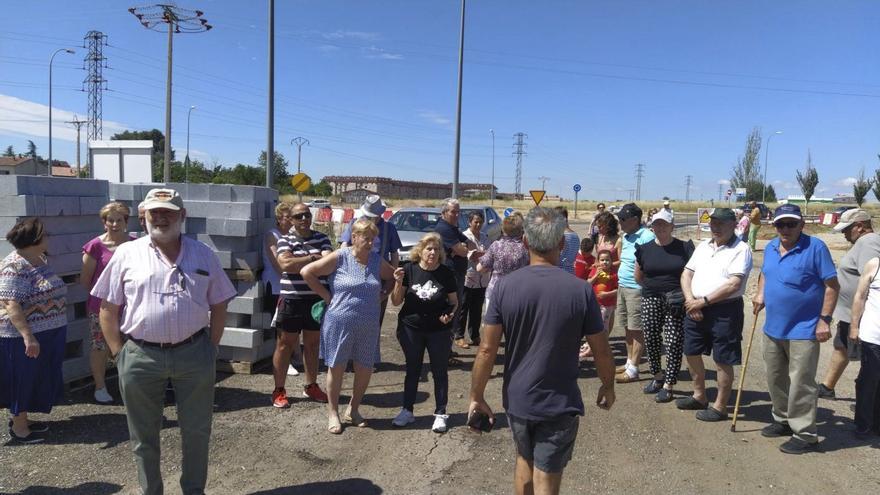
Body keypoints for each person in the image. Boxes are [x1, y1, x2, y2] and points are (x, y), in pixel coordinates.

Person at [91, 188, 236, 494]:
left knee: (197, 432)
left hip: (194, 353)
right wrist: (120, 355)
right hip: (140, 356)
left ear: (182, 216)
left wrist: (211, 347)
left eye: (168, 211)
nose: (160, 217)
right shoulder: (126, 254)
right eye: (154, 212)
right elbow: (107, 309)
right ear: (144, 217)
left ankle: (193, 490)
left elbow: (220, 303)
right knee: (143, 436)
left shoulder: (203, 254)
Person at [469, 207, 615, 495]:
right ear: (561, 245)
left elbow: (487, 349)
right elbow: (601, 350)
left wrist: (476, 396)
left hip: (518, 398)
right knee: (547, 476)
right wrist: (607, 385)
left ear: (525, 242)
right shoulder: (580, 291)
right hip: (558, 400)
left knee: (524, 460)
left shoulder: (504, 288)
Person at [752, 204, 838, 454]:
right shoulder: (769, 247)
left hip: (804, 328)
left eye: (791, 224)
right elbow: (766, 274)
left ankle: (805, 433)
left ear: (802, 224)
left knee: (801, 382)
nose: (786, 229)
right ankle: (782, 420)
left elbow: (832, 286)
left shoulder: (816, 248)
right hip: (773, 327)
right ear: (774, 226)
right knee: (775, 378)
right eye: (781, 224)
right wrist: (759, 294)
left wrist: (825, 319)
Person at [301, 218, 395, 434]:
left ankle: (353, 409)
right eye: (366, 238)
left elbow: (392, 277)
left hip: (368, 323)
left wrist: (384, 294)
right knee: (337, 366)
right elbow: (308, 272)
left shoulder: (375, 260)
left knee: (364, 367)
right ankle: (333, 412)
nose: (370, 243)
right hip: (339, 321)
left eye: (373, 239)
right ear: (354, 237)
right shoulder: (341, 256)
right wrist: (326, 296)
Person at [677, 208, 752, 422]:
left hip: (725, 310)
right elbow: (686, 274)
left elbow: (733, 284)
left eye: (721, 223)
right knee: (691, 351)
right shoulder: (703, 246)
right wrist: (691, 301)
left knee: (723, 358)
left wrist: (702, 302)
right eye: (713, 223)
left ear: (733, 224)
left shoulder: (741, 249)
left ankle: (720, 406)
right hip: (695, 305)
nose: (716, 228)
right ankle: (699, 395)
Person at [1, 218, 67, 444]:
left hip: (48, 332)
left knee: (35, 377)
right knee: (22, 378)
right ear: (35, 240)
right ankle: (19, 428)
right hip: (23, 336)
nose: (49, 238)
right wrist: (28, 337)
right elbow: (11, 303)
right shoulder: (14, 265)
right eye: (45, 234)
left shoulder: (39, 259)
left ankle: (23, 419)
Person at [389, 233, 458, 432]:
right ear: (420, 251)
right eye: (429, 248)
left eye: (437, 249)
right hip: (411, 329)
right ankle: (407, 411)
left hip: (439, 331)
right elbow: (395, 301)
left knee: (439, 371)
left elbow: (454, 302)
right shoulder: (409, 270)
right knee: (413, 370)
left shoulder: (446, 273)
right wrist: (397, 282)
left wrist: (449, 315)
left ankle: (440, 413)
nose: (433, 253)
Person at [270, 202, 333, 408]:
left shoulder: (322, 238)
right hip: (291, 299)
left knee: (313, 345)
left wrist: (302, 262)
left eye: (306, 215)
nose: (304, 219)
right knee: (285, 344)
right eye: (298, 216)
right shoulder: (285, 239)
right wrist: (314, 259)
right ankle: (279, 390)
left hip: (315, 300)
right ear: (291, 220)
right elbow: (285, 264)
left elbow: (328, 265)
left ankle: (311, 385)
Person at [818, 209, 880, 399]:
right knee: (842, 345)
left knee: (869, 357)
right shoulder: (862, 242)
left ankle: (868, 399)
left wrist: (858, 317)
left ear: (860, 227)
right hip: (849, 312)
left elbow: (870, 278)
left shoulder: (869, 243)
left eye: (847, 229)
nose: (844, 234)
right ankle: (827, 386)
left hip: (860, 314)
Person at [634, 209, 694, 403]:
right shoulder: (644, 248)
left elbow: (692, 274)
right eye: (656, 224)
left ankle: (669, 384)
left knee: (673, 340)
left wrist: (685, 295)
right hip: (651, 297)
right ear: (652, 226)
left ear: (672, 227)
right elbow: (639, 275)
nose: (659, 228)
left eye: (664, 224)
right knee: (651, 338)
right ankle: (657, 376)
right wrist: (653, 290)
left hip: (676, 300)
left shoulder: (684, 248)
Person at [80, 202, 134, 404]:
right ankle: (100, 387)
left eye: (119, 220)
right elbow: (85, 279)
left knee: (131, 346)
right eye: (110, 220)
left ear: (126, 222)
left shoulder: (136, 243)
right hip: (100, 307)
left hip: (130, 307)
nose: (114, 224)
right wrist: (103, 298)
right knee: (100, 346)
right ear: (104, 222)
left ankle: (130, 385)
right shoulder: (95, 246)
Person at [339, 194, 402, 327]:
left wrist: (392, 276)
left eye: (375, 215)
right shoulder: (355, 224)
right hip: (355, 274)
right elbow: (344, 245)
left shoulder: (389, 228)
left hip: (380, 276)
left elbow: (394, 254)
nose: (372, 218)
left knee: (375, 319)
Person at [614, 203, 655, 383]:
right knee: (627, 327)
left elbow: (652, 263)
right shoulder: (626, 236)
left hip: (637, 290)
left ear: (635, 220)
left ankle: (634, 368)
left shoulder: (647, 236)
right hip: (623, 287)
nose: (620, 222)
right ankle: (629, 362)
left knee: (637, 328)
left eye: (623, 219)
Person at [262, 202, 301, 377]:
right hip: (276, 285)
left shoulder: (292, 236)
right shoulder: (272, 235)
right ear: (279, 218)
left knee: (292, 325)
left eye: (292, 217)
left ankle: (295, 356)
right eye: (288, 217)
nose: (291, 221)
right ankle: (284, 362)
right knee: (281, 327)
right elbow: (276, 262)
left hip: (291, 285)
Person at [434, 198, 476, 350]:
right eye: (453, 212)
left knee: (455, 310)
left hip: (457, 274)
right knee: (450, 310)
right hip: (449, 276)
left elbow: (471, 245)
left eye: (458, 212)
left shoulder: (453, 228)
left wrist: (459, 248)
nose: (457, 215)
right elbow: (464, 251)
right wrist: (460, 248)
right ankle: (445, 351)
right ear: (444, 213)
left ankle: (447, 349)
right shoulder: (444, 228)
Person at [849, 256, 880, 437]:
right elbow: (860, 296)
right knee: (869, 380)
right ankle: (863, 423)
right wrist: (854, 326)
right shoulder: (874, 264)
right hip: (873, 335)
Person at [476, 211, 529, 308]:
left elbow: (480, 268)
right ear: (521, 230)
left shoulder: (496, 245)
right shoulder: (525, 247)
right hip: (518, 293)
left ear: (503, 229)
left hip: (495, 292)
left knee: (492, 322)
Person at [580, 250, 618, 361]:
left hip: (606, 305)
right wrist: (596, 275)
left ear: (611, 261)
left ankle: (597, 348)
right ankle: (591, 345)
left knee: (602, 327)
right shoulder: (595, 271)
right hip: (595, 304)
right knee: (592, 325)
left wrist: (607, 294)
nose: (605, 262)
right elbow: (588, 283)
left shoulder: (613, 274)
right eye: (602, 260)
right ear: (598, 261)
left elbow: (617, 289)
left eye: (607, 260)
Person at [459, 211, 490, 346]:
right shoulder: (464, 236)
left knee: (477, 309)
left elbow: (489, 254)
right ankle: (459, 335)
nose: (478, 224)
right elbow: (470, 255)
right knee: (463, 308)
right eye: (475, 222)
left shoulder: (485, 236)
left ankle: (475, 335)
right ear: (469, 222)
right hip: (468, 277)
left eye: (480, 222)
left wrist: (481, 254)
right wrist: (482, 254)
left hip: (482, 278)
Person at [555, 206, 580, 275]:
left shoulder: (561, 236)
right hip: (571, 272)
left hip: (559, 272)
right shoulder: (575, 235)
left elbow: (557, 258)